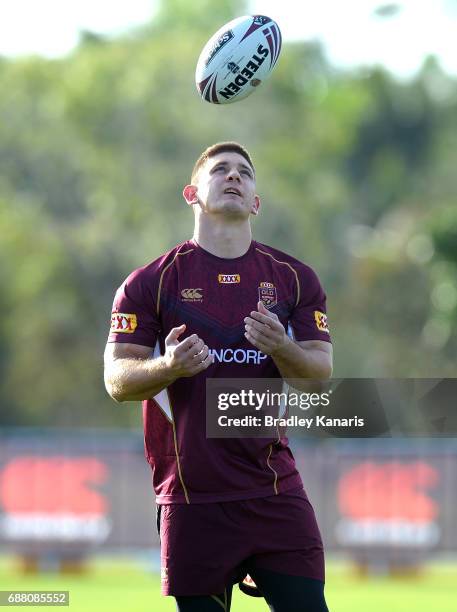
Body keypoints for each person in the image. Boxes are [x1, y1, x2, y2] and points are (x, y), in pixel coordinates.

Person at [104, 142, 333, 611]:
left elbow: (319, 376)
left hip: (275, 492)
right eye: (220, 170)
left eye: (245, 173)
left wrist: (282, 348)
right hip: (192, 500)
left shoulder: (294, 279)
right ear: (191, 192)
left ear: (256, 203)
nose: (234, 176)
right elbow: (116, 380)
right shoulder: (150, 282)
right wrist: (169, 367)